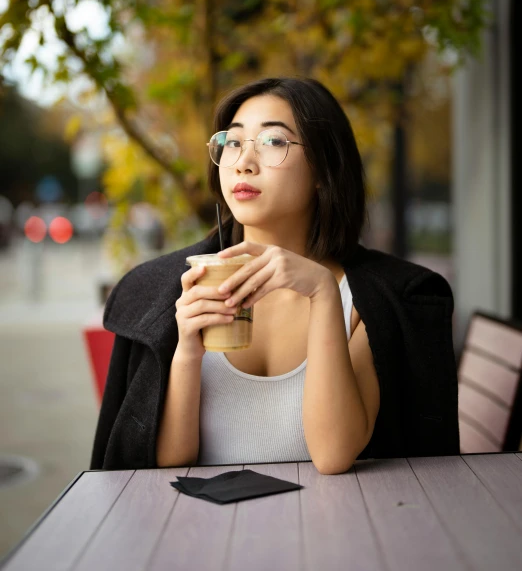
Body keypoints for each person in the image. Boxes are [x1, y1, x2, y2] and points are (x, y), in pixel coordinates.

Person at [90, 76, 459, 473]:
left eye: (273, 142)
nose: (244, 162)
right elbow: (169, 464)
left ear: (324, 169)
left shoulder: (385, 299)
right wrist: (187, 353)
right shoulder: (166, 292)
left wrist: (322, 292)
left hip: (333, 528)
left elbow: (333, 455)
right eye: (233, 142)